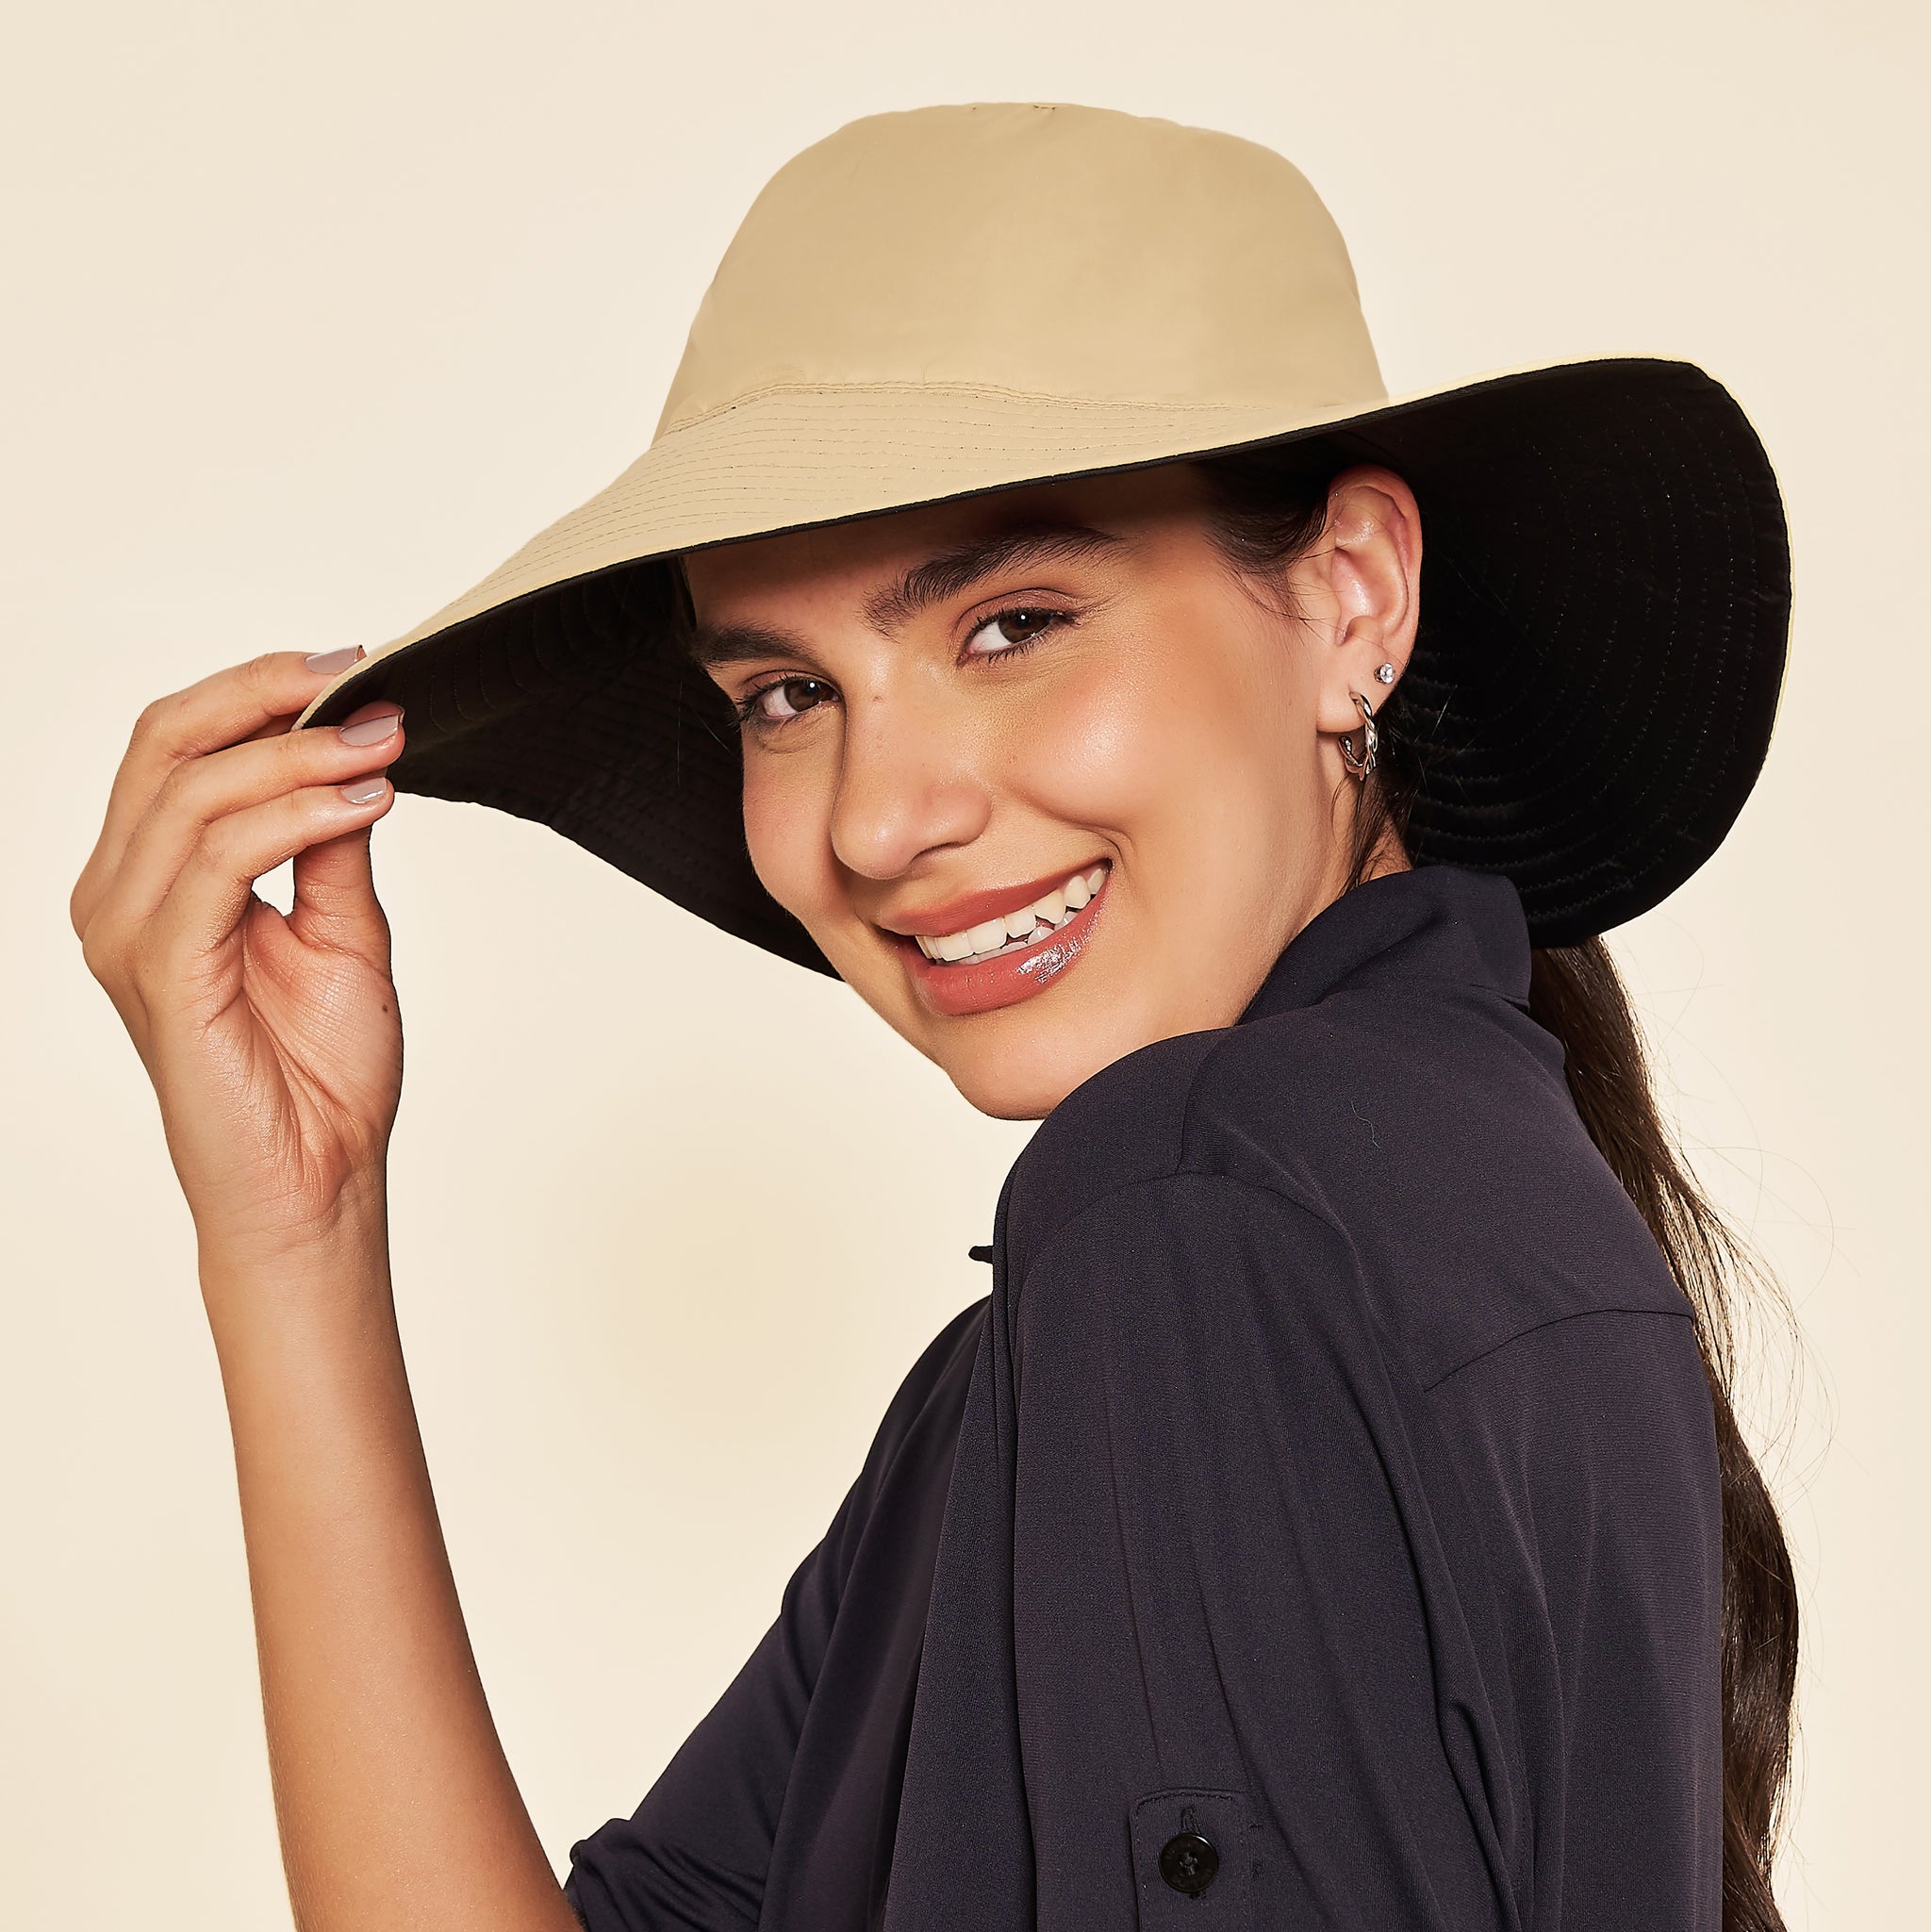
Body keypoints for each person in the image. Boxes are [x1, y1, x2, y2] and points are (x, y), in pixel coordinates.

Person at [72, 104, 1799, 1932]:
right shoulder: (1371, 1233)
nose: (878, 822)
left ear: (1351, 597)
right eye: (785, 692)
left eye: (1012, 623)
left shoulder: (1192, 1204)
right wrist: (299, 1231)